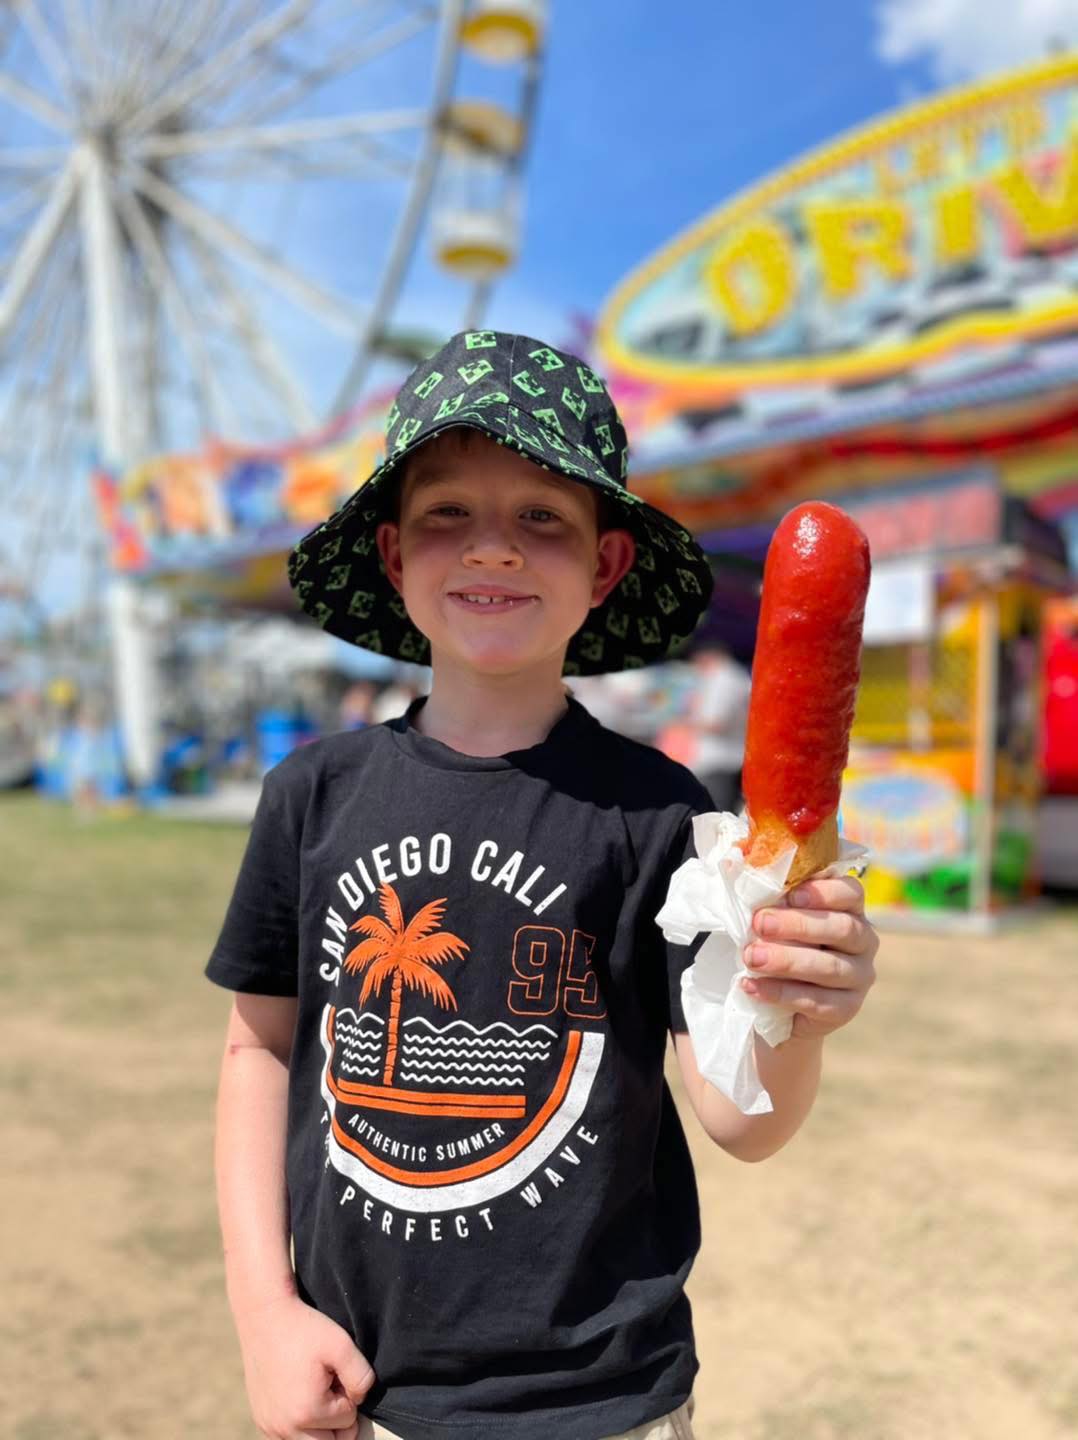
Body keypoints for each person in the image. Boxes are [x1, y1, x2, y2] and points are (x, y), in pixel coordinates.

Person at [208, 331, 879, 1440]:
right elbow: (259, 1048)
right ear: (390, 554)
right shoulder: (312, 794)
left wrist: (794, 1013)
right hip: (357, 1386)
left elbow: (738, 1121)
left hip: (602, 1398)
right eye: (446, 514)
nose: (494, 550)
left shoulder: (662, 814)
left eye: (541, 518)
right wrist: (260, 1311)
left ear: (605, 565)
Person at [685, 642, 751, 814]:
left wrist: (687, 723)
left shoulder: (722, 679)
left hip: (718, 760)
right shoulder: (738, 677)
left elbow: (716, 722)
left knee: (715, 815)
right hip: (733, 756)